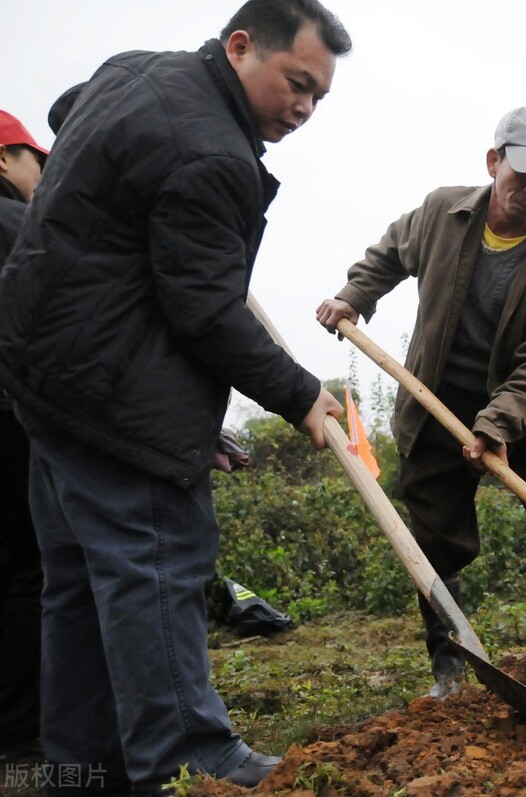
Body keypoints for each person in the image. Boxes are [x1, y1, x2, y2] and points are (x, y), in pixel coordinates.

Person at [0, 2, 351, 793]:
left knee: (83, 587)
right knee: (157, 559)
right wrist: (301, 396)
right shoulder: (212, 154)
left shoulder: (134, 71)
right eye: (297, 84)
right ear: (239, 47)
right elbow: (202, 309)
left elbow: (67, 113)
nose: (303, 108)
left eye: (319, 97)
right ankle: (195, 753)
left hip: (43, 378)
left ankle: (84, 769)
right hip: (115, 398)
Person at [316, 106, 526, 698]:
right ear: (494, 162)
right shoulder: (443, 212)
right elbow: (389, 253)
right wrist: (353, 294)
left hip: (521, 415)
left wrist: (496, 425)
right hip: (432, 398)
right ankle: (451, 673)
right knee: (434, 537)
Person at [0, 110, 49, 761]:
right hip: (11, 416)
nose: (43, 171)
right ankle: (20, 730)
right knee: (35, 568)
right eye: (36, 158)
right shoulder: (15, 224)